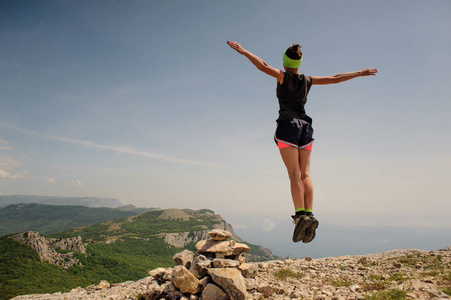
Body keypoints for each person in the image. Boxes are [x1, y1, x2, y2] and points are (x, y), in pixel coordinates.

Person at [227, 41, 377, 243]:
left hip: (288, 126)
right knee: (306, 174)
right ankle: (310, 214)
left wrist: (244, 51)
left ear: (285, 61)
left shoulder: (282, 77)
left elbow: (262, 65)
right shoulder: (308, 80)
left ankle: (300, 216)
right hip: (306, 128)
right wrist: (360, 72)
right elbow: (335, 78)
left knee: (294, 174)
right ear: (299, 62)